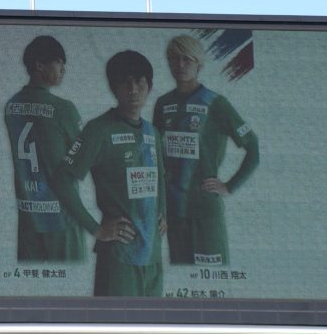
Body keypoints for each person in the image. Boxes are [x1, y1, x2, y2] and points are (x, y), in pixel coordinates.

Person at [52, 50, 166, 296]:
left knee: (154, 322)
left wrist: (163, 212)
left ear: (149, 86)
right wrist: (95, 228)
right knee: (115, 322)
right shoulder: (99, 130)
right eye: (126, 83)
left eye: (139, 82)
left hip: (153, 256)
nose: (133, 89)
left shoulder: (152, 133)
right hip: (119, 258)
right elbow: (62, 180)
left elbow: (160, 178)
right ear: (114, 88)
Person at [153, 34, 260, 267]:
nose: (180, 65)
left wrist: (229, 186)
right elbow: (156, 159)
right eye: (174, 59)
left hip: (206, 211)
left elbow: (253, 148)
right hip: (174, 212)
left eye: (187, 59)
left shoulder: (216, 103)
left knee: (211, 276)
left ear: (198, 64)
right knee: (184, 275)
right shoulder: (163, 104)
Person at [3, 35, 87, 262]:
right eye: (58, 62)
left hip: (29, 218)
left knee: (32, 282)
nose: (63, 69)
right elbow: (86, 158)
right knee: (71, 281)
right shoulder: (63, 109)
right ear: (39, 65)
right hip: (61, 217)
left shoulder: (11, 105)